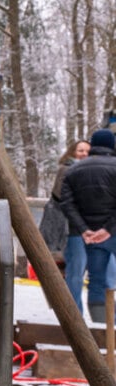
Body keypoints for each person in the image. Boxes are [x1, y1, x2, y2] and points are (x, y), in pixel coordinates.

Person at [59, 129, 116, 322]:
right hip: (111, 233)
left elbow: (66, 203)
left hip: (89, 237)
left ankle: (102, 329)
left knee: (96, 281)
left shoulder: (74, 170)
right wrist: (107, 229)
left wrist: (84, 229)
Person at [46, 139, 91, 312]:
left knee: (78, 271)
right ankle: (74, 313)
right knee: (75, 271)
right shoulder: (66, 169)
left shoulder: (88, 171)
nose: (84, 154)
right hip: (71, 228)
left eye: (87, 151)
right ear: (73, 152)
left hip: (85, 228)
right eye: (80, 150)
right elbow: (59, 197)